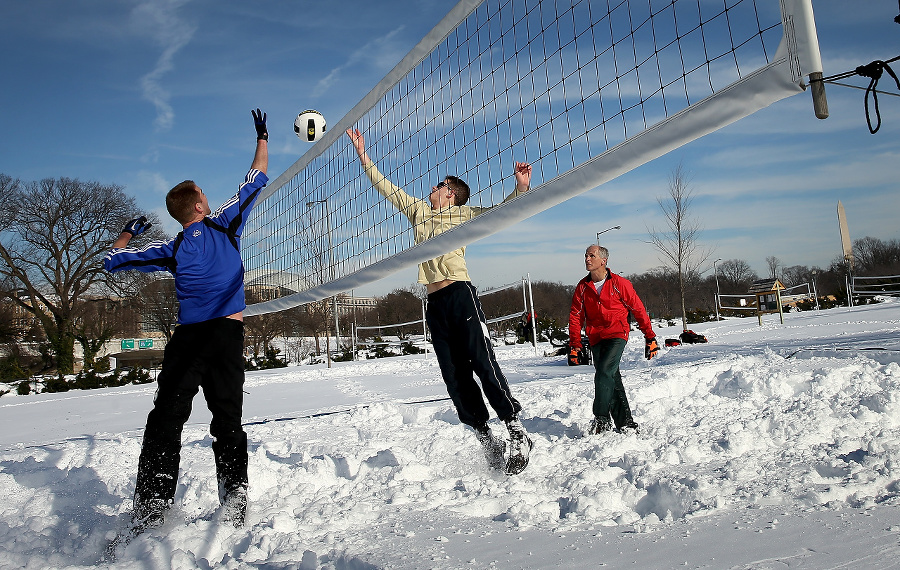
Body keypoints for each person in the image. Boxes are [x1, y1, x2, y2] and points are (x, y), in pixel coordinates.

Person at [104, 109, 269, 537]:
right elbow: (255, 176)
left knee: (166, 420)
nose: (207, 197)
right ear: (199, 204)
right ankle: (233, 502)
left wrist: (127, 232)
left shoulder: (172, 247)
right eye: (203, 194)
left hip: (187, 341)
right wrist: (263, 136)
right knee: (227, 421)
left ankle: (151, 511)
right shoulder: (224, 223)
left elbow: (113, 261)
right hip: (224, 336)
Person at [346, 127, 534, 474]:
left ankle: (515, 428)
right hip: (434, 303)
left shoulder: (464, 215)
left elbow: (502, 211)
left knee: (482, 361)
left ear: (451, 195)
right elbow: (386, 187)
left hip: (460, 293)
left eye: (438, 185)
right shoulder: (419, 212)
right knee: (453, 374)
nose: (431, 188)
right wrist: (363, 154)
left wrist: (520, 189)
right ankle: (484, 435)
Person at [568, 245, 659, 435]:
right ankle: (626, 423)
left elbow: (638, 309)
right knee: (611, 377)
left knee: (603, 372)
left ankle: (601, 419)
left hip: (617, 334)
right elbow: (575, 316)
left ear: (603, 260)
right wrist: (575, 344)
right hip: (595, 336)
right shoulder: (582, 288)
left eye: (591, 255)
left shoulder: (620, 284)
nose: (587, 259)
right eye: (585, 255)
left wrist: (649, 336)